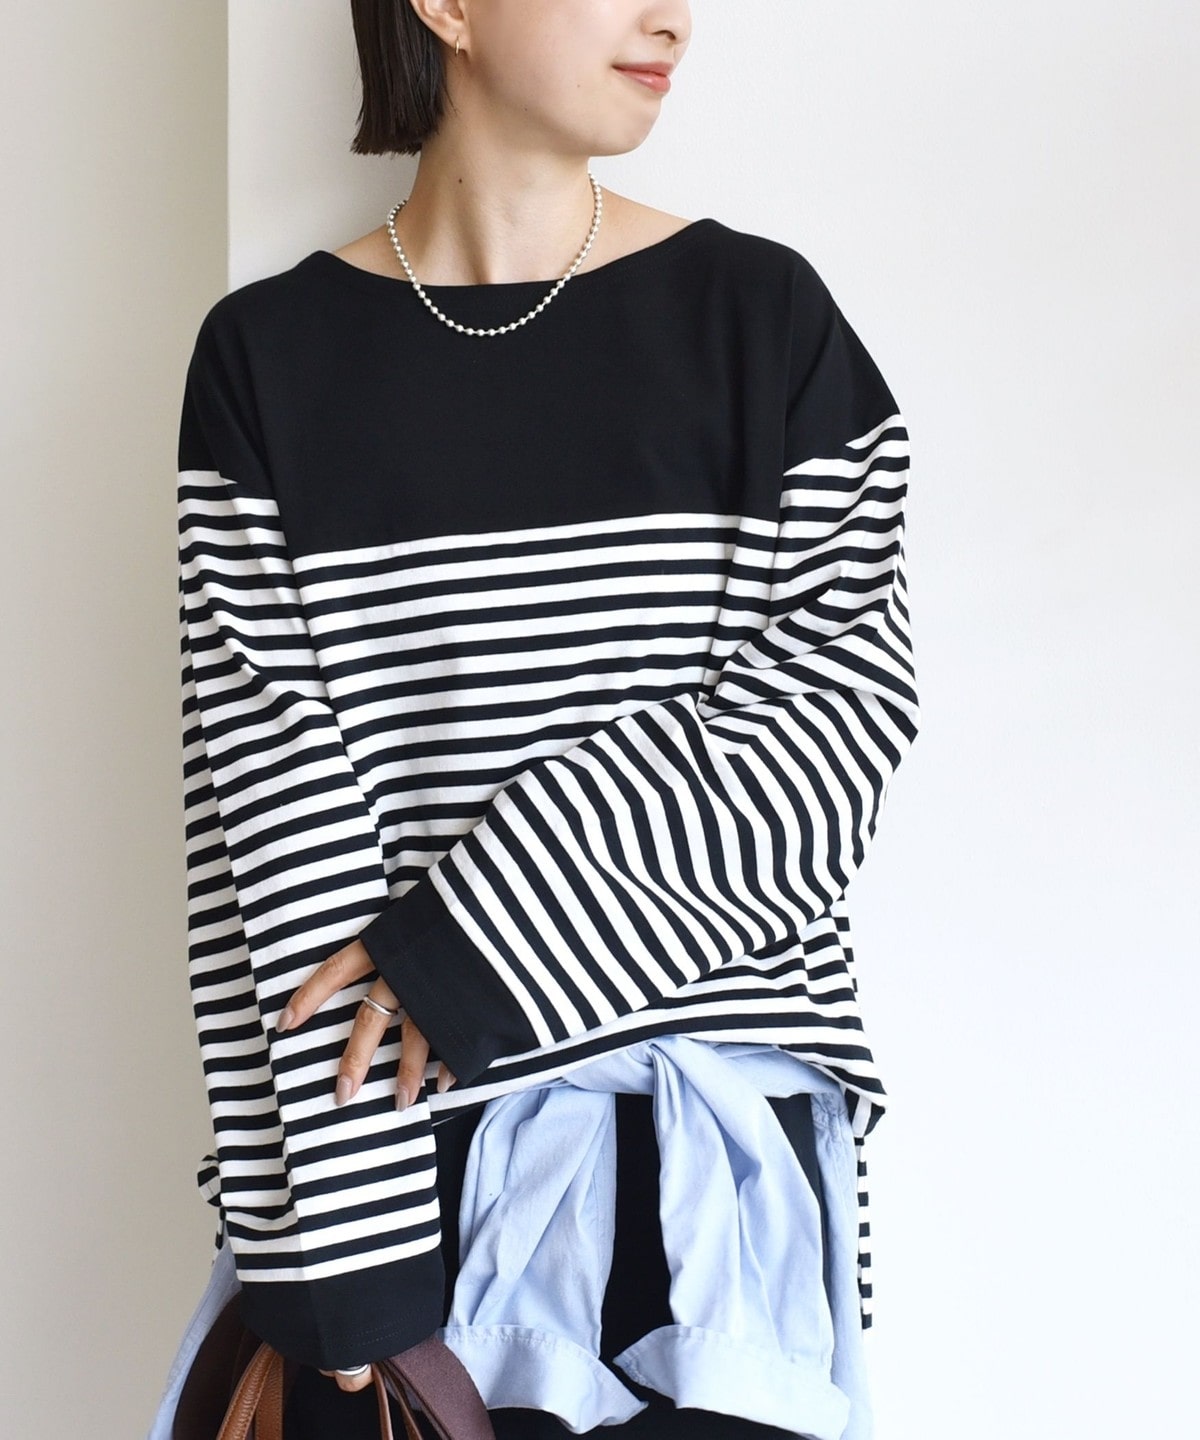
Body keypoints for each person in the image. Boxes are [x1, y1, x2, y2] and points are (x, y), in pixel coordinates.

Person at [165, 2, 920, 1436]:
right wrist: (342, 1254)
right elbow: (262, 813)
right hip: (390, 1166)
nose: (672, 17)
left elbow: (835, 725)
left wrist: (469, 948)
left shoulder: (764, 323)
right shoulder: (268, 359)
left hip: (703, 1191)